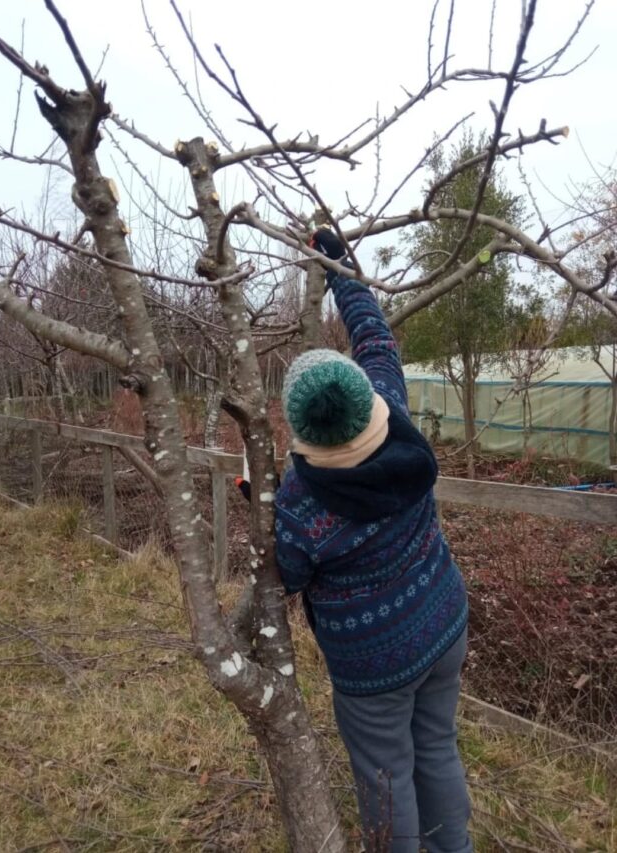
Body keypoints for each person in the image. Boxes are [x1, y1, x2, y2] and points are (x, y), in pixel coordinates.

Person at [274, 228, 472, 853]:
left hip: (373, 665)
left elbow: (287, 574)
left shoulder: (299, 500)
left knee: (386, 777)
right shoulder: (397, 413)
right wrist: (337, 264)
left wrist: (260, 499)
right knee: (436, 745)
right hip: (443, 620)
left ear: (302, 431)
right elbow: (374, 333)